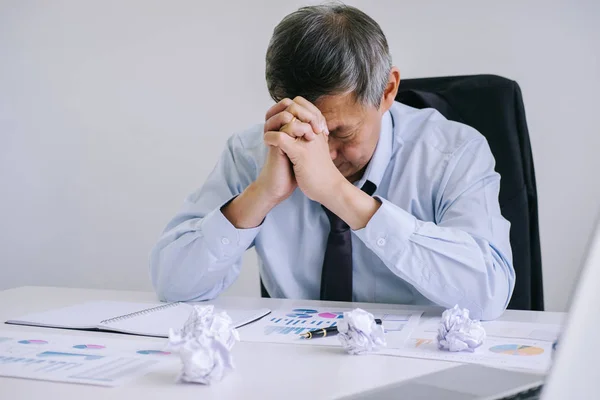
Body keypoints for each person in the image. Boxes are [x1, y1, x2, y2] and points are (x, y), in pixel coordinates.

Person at [150, 4, 515, 320]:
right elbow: (173, 287)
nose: (321, 156)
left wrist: (339, 194)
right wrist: (261, 195)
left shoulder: (453, 153)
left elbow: (488, 294)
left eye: (340, 133)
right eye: (306, 133)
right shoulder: (251, 152)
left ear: (388, 90)